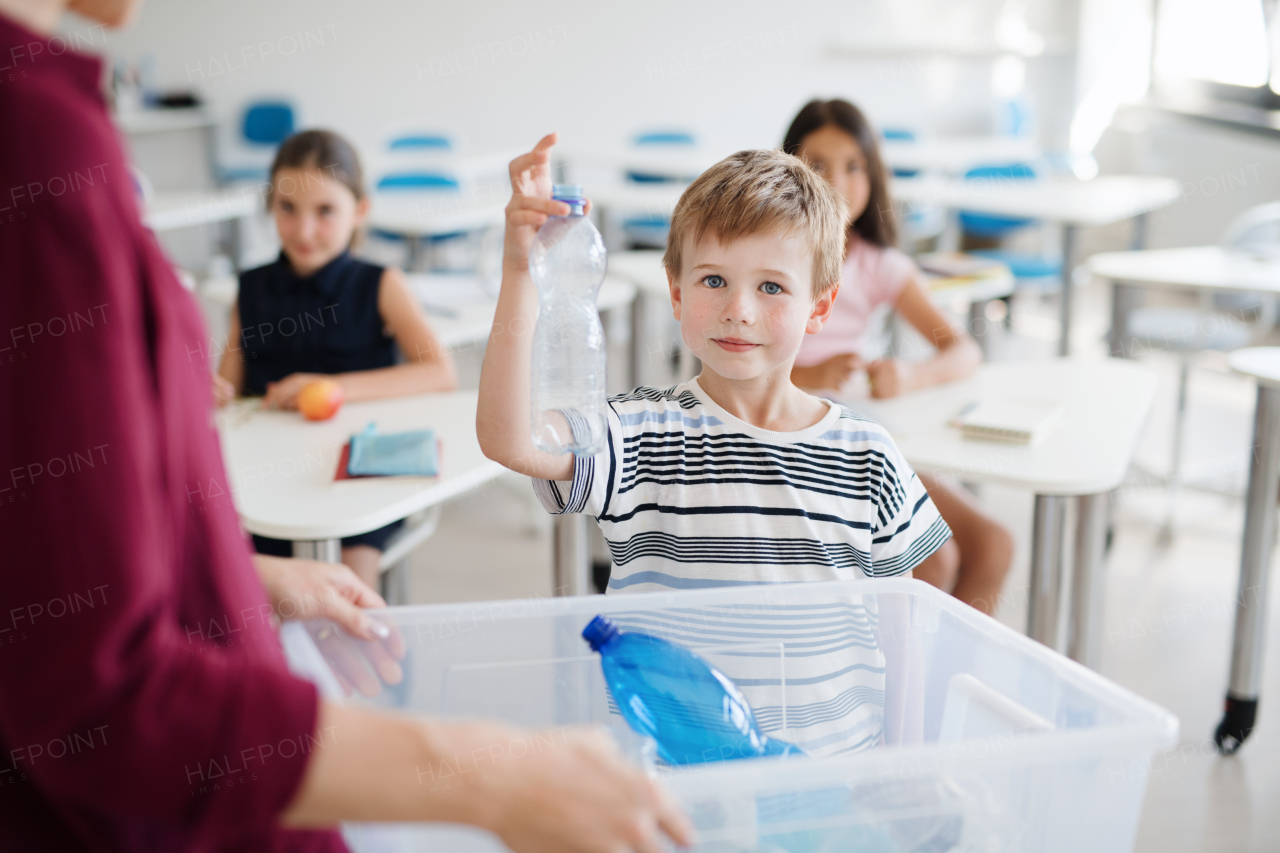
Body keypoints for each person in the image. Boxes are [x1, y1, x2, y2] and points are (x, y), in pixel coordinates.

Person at [0, 2, 694, 851]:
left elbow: (48, 569)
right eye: (285, 210)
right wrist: (490, 771)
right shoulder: (36, 138)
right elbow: (95, 689)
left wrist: (247, 578)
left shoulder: (52, 122)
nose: (303, 229)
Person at [783, 98, 1015, 615]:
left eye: (853, 166)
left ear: (874, 176)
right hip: (795, 439)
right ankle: (902, 692)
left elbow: (963, 350)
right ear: (788, 168)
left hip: (859, 433)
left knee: (994, 543)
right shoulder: (768, 254)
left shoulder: (878, 265)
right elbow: (728, 367)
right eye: (817, 165)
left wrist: (910, 375)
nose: (837, 183)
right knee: (934, 560)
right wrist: (812, 373)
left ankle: (943, 691)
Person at [215, 129, 458, 589]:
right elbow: (228, 391)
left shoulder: (381, 284)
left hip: (358, 473)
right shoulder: (250, 290)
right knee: (250, 583)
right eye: (287, 209)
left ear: (359, 212)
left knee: (348, 588)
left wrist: (335, 389)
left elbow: (440, 372)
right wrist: (208, 392)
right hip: (269, 476)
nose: (304, 230)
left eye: (325, 211)